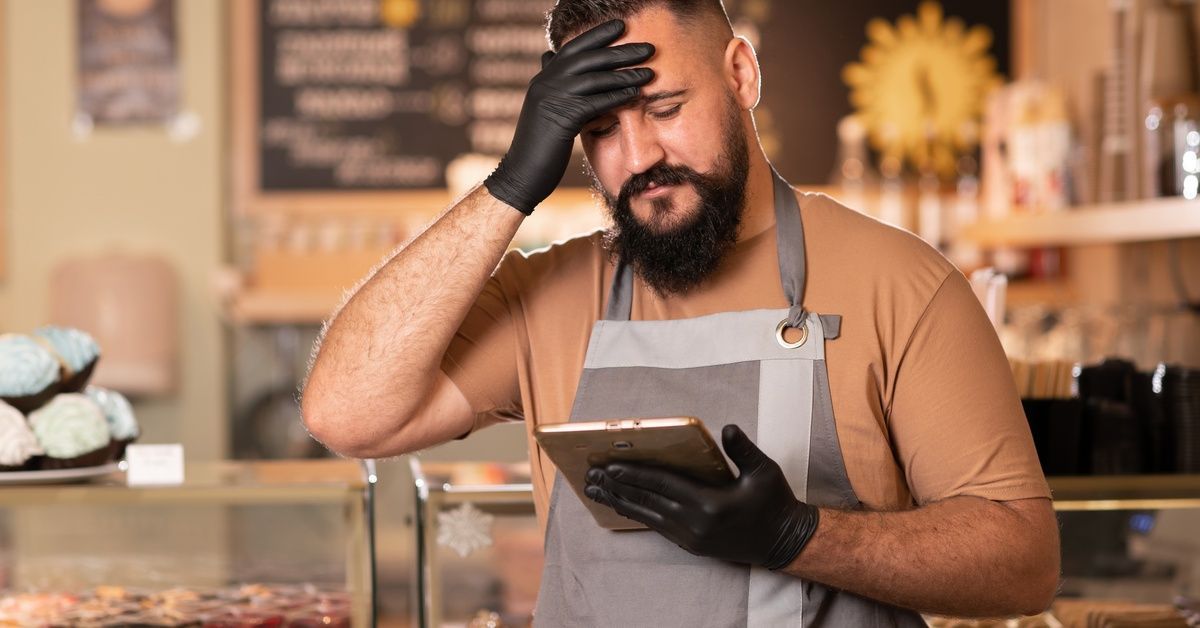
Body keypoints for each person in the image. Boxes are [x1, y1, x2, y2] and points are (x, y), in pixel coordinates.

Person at [302, 1, 1060, 625]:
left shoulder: (901, 283)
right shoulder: (551, 296)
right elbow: (345, 415)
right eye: (598, 130)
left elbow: (1023, 566)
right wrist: (510, 185)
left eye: (664, 108)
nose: (636, 159)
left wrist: (800, 537)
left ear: (741, 74)